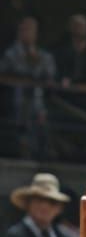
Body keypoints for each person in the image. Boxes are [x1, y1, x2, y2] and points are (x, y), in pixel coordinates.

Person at [1, 171, 78, 237]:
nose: (45, 206)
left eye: (52, 202)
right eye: (39, 200)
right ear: (28, 203)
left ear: (59, 208)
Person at [1, 18, 56, 154]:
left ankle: (45, 152)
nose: (27, 33)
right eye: (24, 30)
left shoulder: (43, 55)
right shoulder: (11, 54)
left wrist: (34, 58)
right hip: (14, 100)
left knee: (40, 116)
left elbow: (50, 74)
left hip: (38, 101)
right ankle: (21, 149)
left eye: (31, 30)